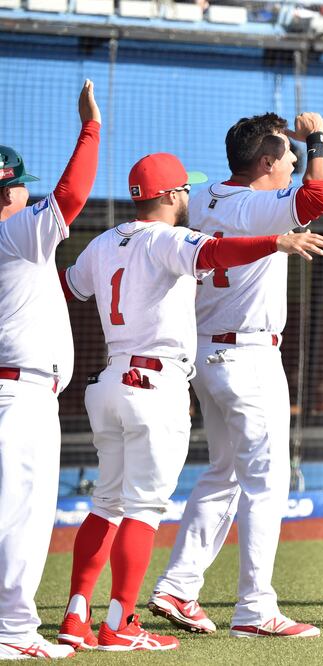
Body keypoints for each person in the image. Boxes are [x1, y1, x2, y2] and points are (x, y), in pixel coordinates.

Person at [56, 152, 323, 652]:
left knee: (105, 504)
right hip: (154, 385)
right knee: (142, 509)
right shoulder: (167, 238)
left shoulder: (101, 242)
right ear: (166, 196)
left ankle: (76, 616)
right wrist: (278, 240)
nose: (187, 196)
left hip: (111, 380)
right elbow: (217, 254)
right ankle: (119, 624)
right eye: (182, 189)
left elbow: (64, 287)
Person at [146, 113, 323, 639]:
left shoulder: (201, 197)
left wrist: (279, 137)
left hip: (204, 351)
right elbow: (320, 195)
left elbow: (192, 195)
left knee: (223, 474)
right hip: (247, 356)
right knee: (266, 482)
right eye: (287, 156)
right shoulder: (257, 205)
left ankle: (179, 586)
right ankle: (255, 608)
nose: (295, 162)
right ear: (268, 162)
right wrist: (317, 136)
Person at [0, 80, 100, 661]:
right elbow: (71, 194)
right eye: (17, 186)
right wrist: (91, 127)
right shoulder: (15, 234)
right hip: (20, 394)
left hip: (15, 386)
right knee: (22, 517)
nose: (25, 197)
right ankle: (13, 629)